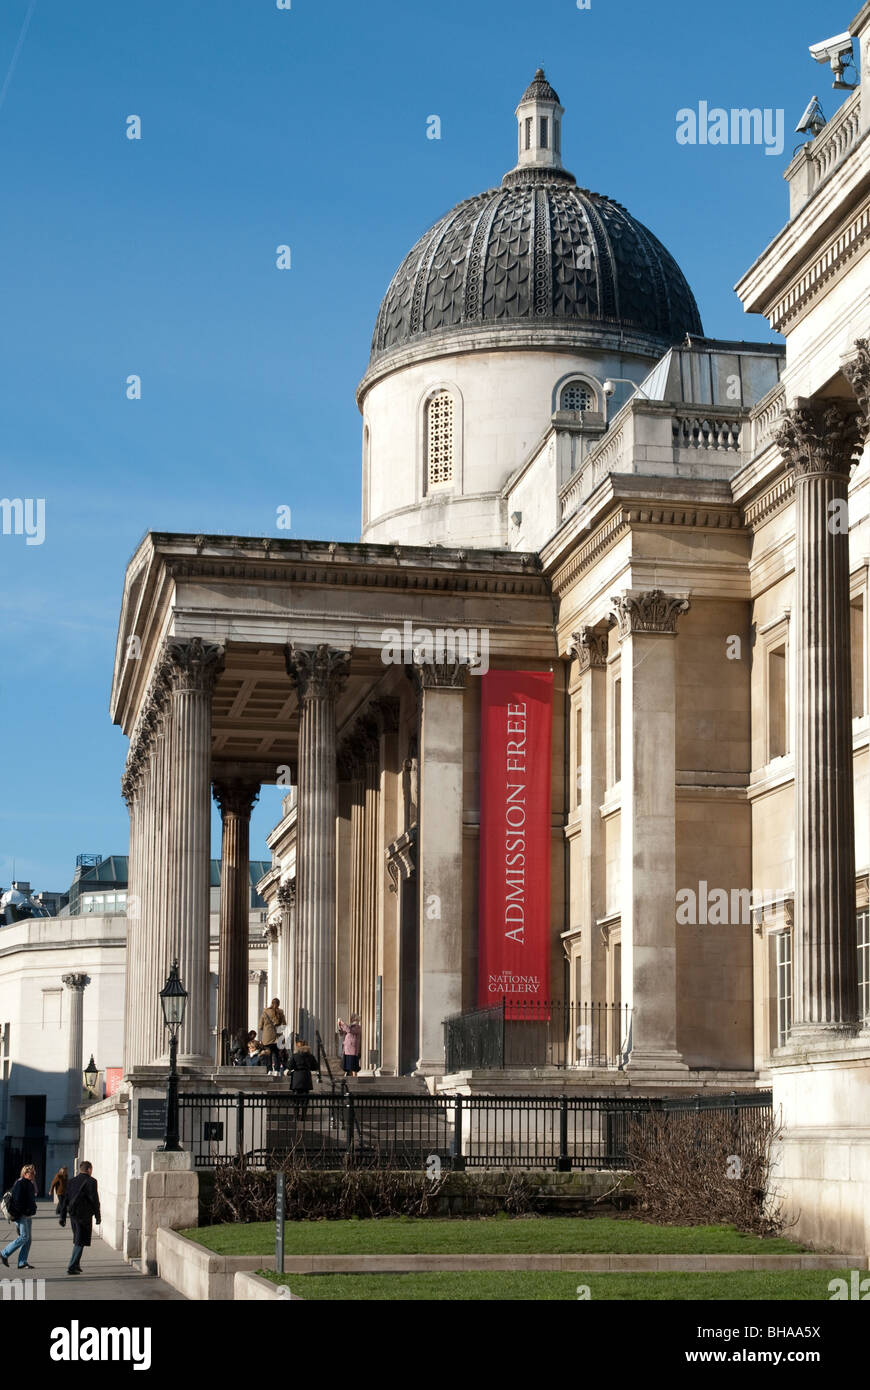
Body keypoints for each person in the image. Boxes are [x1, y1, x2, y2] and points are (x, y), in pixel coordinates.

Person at [57, 1160, 101, 1275]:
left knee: (78, 1238)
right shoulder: (92, 1182)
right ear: (89, 1169)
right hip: (85, 1216)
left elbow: (65, 1200)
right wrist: (98, 1216)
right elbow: (94, 1200)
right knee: (80, 1241)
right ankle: (72, 1266)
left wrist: (62, 1217)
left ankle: (76, 1265)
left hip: (73, 1215)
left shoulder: (71, 1181)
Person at [0, 1164, 37, 1270]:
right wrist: (24, 1212)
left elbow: (30, 1199)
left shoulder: (30, 1183)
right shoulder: (20, 1184)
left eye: (34, 1172)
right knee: (24, 1237)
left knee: (28, 1239)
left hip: (28, 1215)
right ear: (25, 1173)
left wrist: (33, 1208)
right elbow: (17, 1201)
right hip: (21, 1215)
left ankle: (22, 1262)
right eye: (31, 1172)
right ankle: (4, 1253)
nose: (33, 1174)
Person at [288, 1039, 319, 1119]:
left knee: (296, 1099)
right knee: (305, 1099)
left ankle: (295, 1116)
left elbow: (290, 1066)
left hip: (297, 1077)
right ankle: (303, 1117)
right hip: (306, 1077)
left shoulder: (295, 1055)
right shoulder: (310, 1056)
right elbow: (315, 1067)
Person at [259, 998, 286, 1076]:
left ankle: (269, 1069)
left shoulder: (265, 1012)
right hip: (277, 1037)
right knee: (276, 1054)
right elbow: (284, 1025)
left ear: (271, 1003)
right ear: (279, 1004)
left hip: (267, 1037)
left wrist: (266, 1029)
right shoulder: (281, 1012)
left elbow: (260, 1026)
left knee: (268, 1054)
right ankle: (277, 1070)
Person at [337, 1013, 362, 1079]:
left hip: (352, 1049)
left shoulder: (357, 1026)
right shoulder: (350, 1026)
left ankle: (354, 1077)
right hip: (347, 1049)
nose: (351, 1018)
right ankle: (348, 1075)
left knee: (353, 1064)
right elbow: (342, 1033)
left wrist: (343, 1023)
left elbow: (349, 1030)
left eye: (352, 1017)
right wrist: (340, 1026)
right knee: (347, 1064)